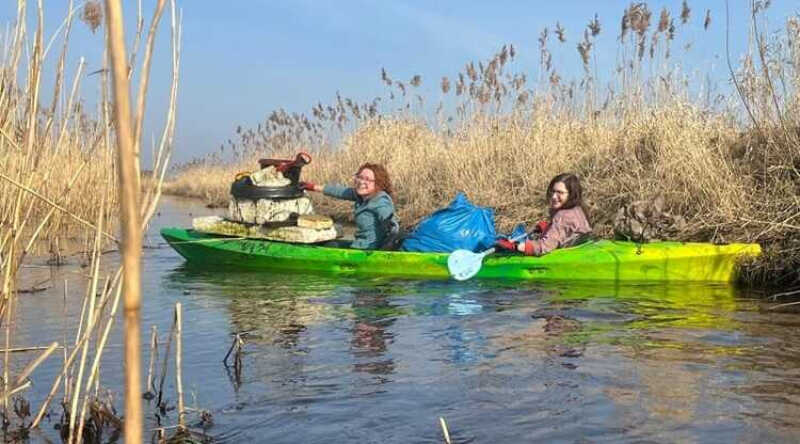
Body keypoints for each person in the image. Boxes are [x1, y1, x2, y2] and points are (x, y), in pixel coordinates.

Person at [301, 163, 399, 250]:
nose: (361, 182)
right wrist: (312, 187)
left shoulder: (380, 201)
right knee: (329, 244)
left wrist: (383, 250)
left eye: (367, 180)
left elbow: (392, 226)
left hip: (368, 250)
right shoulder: (361, 195)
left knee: (327, 247)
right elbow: (340, 191)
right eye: (360, 177)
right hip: (360, 245)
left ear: (378, 184)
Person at [496, 173, 592, 256]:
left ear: (571, 194)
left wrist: (515, 246)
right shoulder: (578, 208)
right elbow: (566, 231)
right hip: (580, 248)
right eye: (553, 191)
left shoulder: (563, 216)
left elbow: (544, 247)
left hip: (565, 256)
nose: (554, 197)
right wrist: (549, 228)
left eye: (560, 193)